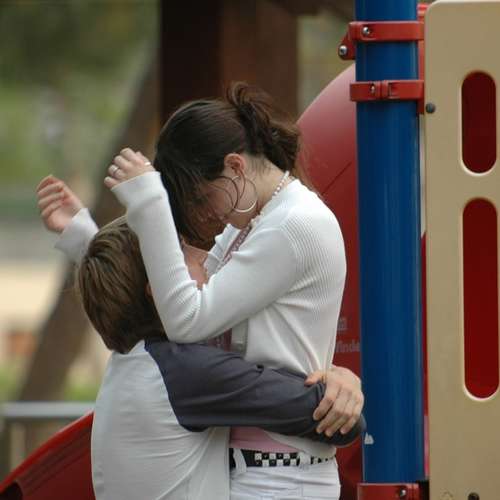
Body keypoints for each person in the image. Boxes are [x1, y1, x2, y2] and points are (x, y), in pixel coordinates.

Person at [98, 82, 352, 499]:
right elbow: (178, 294)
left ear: (235, 166)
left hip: (282, 476)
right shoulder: (255, 224)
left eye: (202, 198)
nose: (206, 214)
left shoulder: (292, 225)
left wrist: (150, 204)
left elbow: (187, 320)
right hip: (261, 469)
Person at [78, 217, 363, 499]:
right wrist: (339, 385)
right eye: (181, 253)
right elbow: (338, 424)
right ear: (161, 290)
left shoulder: (131, 364)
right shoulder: (183, 372)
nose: (204, 256)